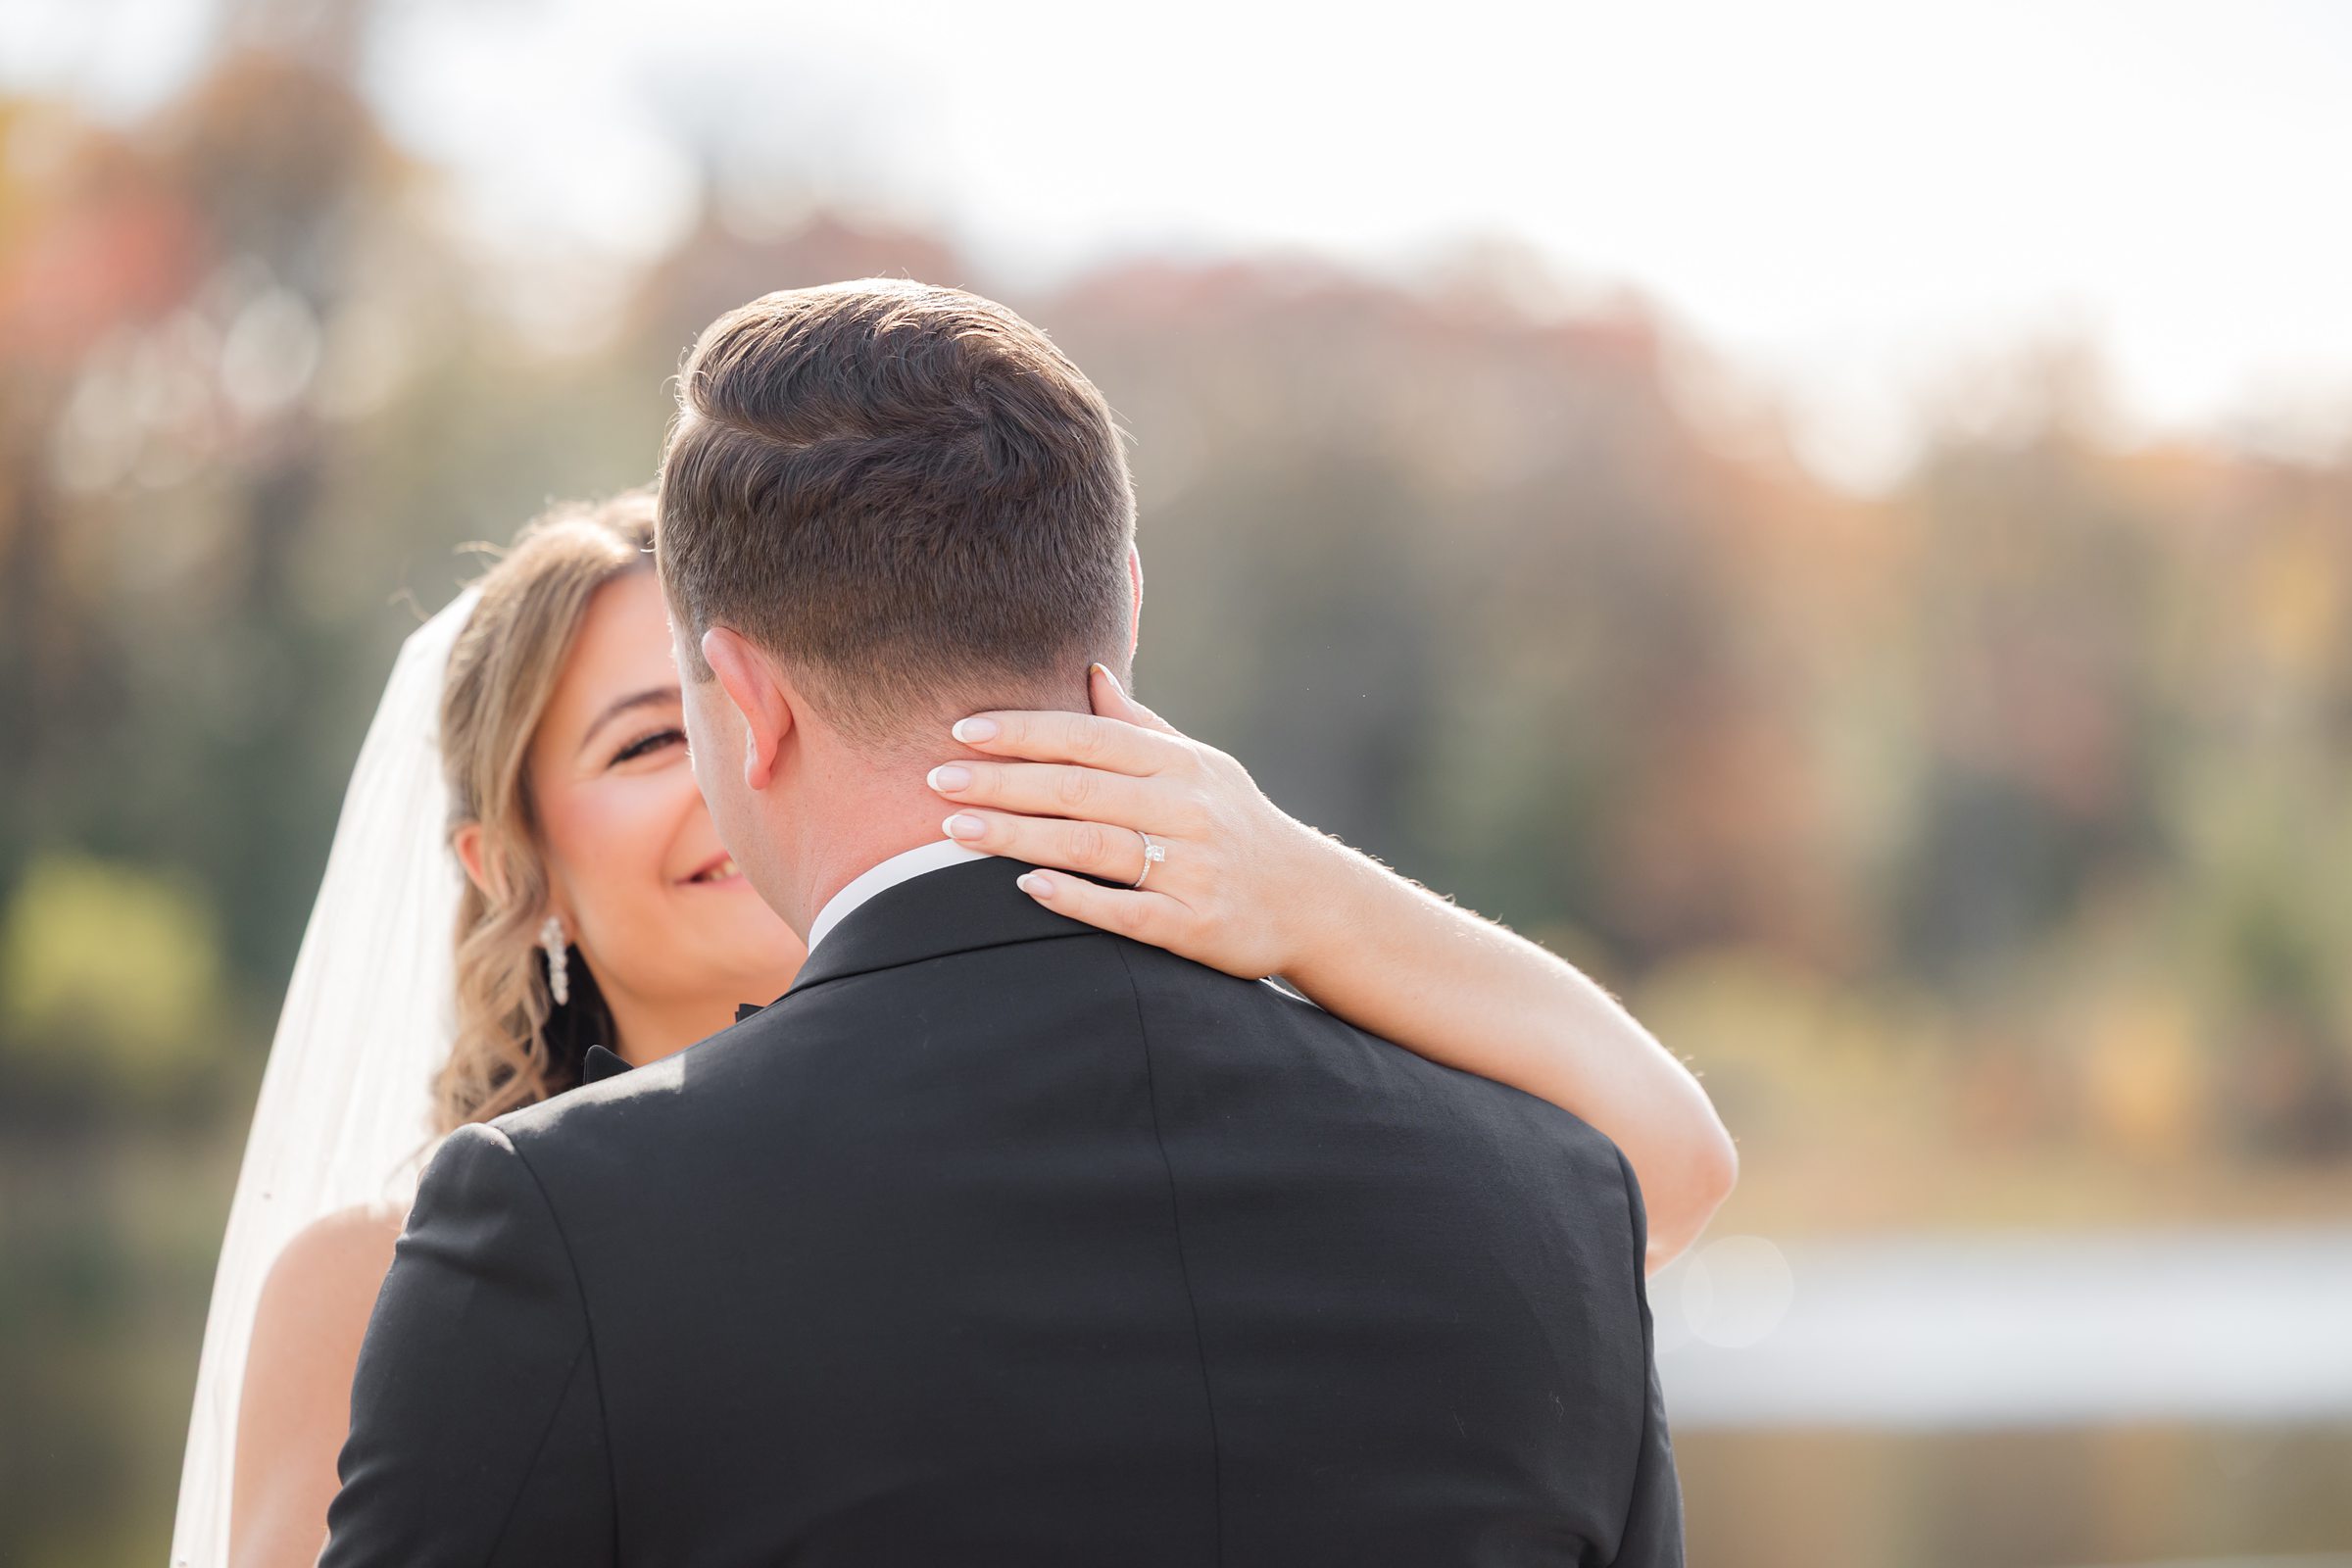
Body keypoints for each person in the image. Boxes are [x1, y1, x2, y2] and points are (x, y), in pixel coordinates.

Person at [298, 279, 1710, 1562]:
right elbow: (1672, 1156)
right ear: (1126, 610)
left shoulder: (555, 1231)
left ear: (751, 699)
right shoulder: (1550, 1203)